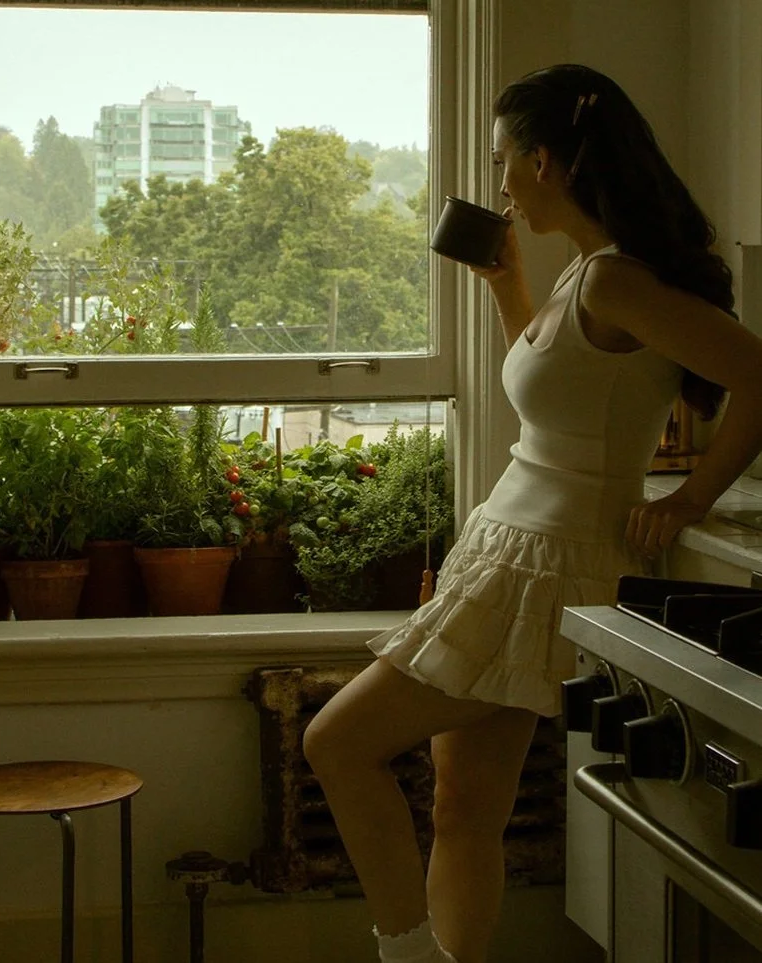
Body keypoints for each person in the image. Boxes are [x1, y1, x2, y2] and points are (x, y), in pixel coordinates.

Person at [303, 63, 762, 963]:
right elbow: (555, 398)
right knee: (463, 811)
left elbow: (758, 375)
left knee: (337, 744)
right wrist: (507, 283)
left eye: (501, 157)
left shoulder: (617, 281)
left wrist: (689, 497)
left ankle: (403, 955)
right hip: (507, 548)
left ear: (544, 161)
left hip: (546, 561)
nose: (498, 178)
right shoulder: (582, 275)